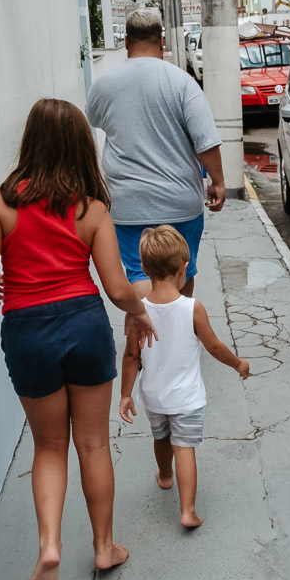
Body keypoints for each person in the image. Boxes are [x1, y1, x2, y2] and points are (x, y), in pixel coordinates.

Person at [0, 98, 157, 580]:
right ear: (79, 147)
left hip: (26, 332)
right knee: (92, 444)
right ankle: (104, 547)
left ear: (29, 142)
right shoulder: (90, 209)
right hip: (84, 326)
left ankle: (49, 546)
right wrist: (140, 312)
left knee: (48, 445)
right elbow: (116, 288)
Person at [86, 9, 226, 299]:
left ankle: (148, 332)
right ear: (161, 40)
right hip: (179, 203)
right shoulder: (182, 83)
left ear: (125, 42)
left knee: (139, 272)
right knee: (182, 271)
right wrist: (218, 181)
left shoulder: (104, 85)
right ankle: (182, 333)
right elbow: (205, 141)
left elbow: (94, 120)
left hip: (128, 204)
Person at [117, 226, 249, 529]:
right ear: (183, 269)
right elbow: (214, 347)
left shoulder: (140, 313)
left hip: (153, 395)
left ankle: (165, 477)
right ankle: (187, 511)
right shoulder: (193, 308)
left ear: (145, 269)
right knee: (184, 447)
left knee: (161, 438)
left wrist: (126, 394)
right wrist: (237, 363)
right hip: (186, 399)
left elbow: (131, 358)